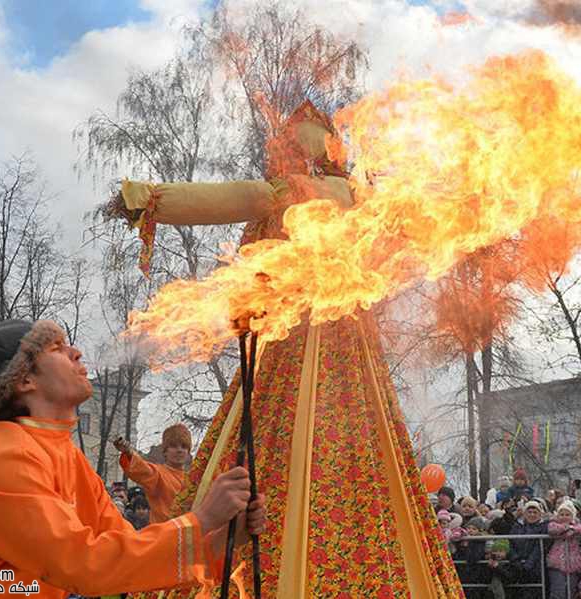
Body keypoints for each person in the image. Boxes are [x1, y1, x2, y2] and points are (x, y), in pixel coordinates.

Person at [115, 100, 462, 599]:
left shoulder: (288, 190)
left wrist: (150, 199)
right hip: (337, 336)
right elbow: (418, 220)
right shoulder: (360, 197)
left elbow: (229, 199)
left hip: (297, 338)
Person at [0, 319, 266, 598]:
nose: (76, 352)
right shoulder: (3, 460)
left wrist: (221, 539)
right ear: (24, 379)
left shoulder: (62, 452)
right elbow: (85, 564)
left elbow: (122, 553)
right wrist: (201, 520)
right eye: (57, 348)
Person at [116, 424, 191, 523]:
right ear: (165, 452)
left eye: (184, 446)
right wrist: (129, 452)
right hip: (163, 534)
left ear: (188, 452)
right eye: (174, 446)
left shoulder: (192, 479)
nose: (179, 450)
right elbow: (144, 469)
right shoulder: (159, 473)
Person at [547, 501, 581, 599]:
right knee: (557, 592)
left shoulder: (577, 525)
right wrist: (566, 528)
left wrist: (573, 529)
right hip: (557, 563)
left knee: (570, 592)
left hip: (573, 563)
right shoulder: (553, 524)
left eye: (567, 514)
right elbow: (552, 529)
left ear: (573, 515)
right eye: (561, 514)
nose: (564, 517)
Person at [510, 500, 549, 599]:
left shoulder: (544, 527)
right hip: (517, 565)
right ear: (524, 513)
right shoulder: (516, 526)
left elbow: (539, 547)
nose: (532, 515)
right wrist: (515, 559)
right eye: (529, 512)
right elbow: (511, 543)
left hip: (536, 567)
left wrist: (529, 563)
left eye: (535, 512)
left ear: (540, 514)